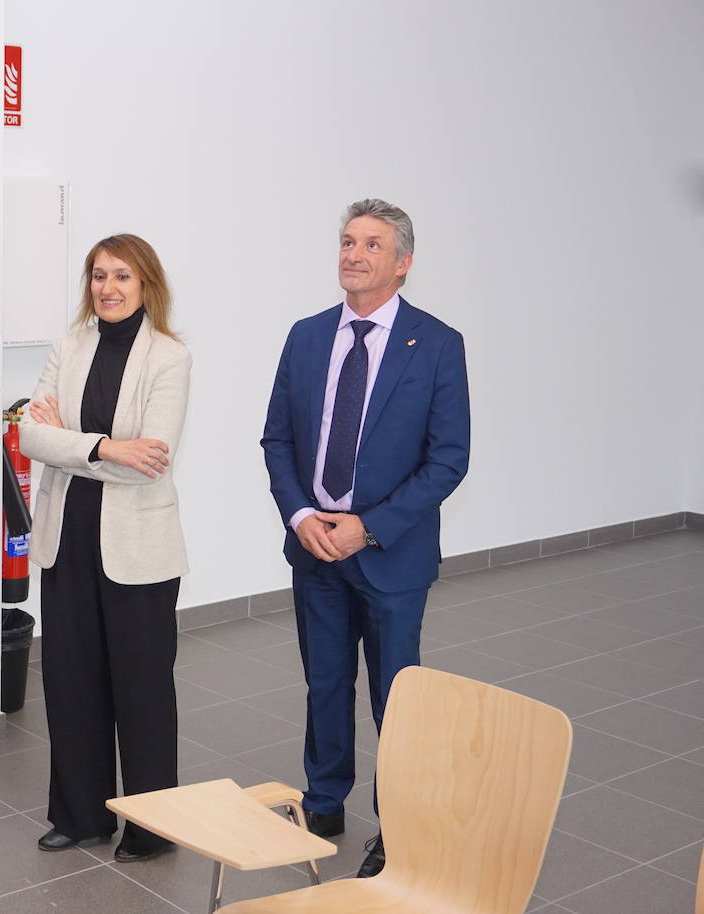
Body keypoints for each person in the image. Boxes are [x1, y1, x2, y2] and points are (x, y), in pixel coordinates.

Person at [260, 199, 470, 878]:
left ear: (403, 263)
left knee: (396, 698)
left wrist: (368, 527)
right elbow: (278, 439)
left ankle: (399, 824)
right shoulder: (307, 336)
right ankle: (323, 803)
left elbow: (448, 459)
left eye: (372, 245)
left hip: (390, 555)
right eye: (348, 241)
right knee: (324, 683)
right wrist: (301, 516)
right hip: (315, 546)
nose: (353, 254)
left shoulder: (436, 344)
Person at [19, 234, 190, 862]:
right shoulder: (70, 346)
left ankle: (152, 825)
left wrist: (72, 441)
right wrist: (106, 446)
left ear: (146, 285)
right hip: (67, 541)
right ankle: (81, 815)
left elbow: (151, 459)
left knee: (142, 690)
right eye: (98, 275)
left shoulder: (169, 357)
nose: (108, 288)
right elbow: (29, 436)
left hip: (138, 547)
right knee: (71, 683)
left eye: (121, 276)